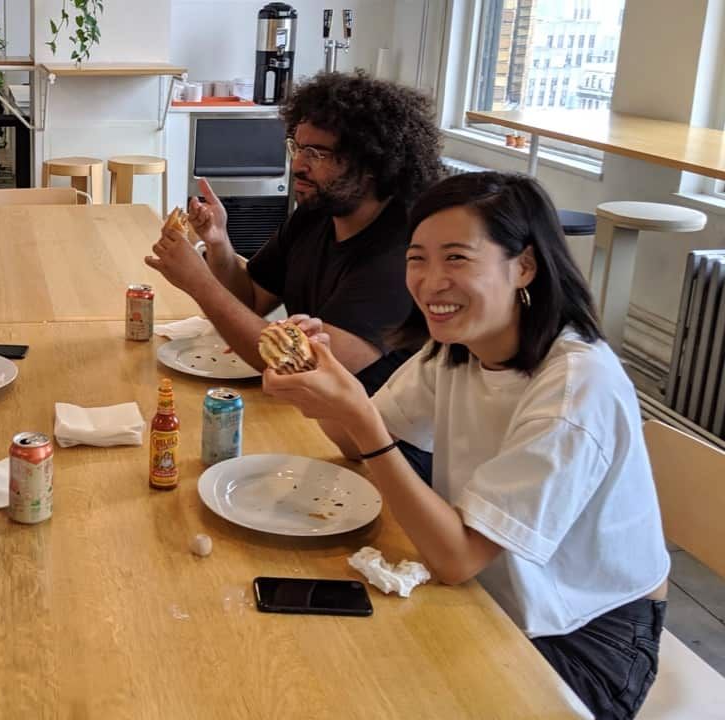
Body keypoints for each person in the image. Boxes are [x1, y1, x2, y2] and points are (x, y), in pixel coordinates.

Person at [263, 171, 669, 720]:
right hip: (489, 591)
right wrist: (326, 381)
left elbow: (457, 558)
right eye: (417, 258)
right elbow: (354, 441)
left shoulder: (576, 387)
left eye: (456, 258)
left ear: (523, 265)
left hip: (583, 633)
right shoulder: (455, 348)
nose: (430, 282)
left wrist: (361, 419)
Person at [145, 70, 442, 480]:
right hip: (317, 425)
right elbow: (250, 298)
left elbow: (296, 366)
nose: (298, 165)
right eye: (297, 147)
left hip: (379, 461)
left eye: (318, 154)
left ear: (370, 163)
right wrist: (217, 243)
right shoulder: (317, 214)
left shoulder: (400, 254)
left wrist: (199, 283)